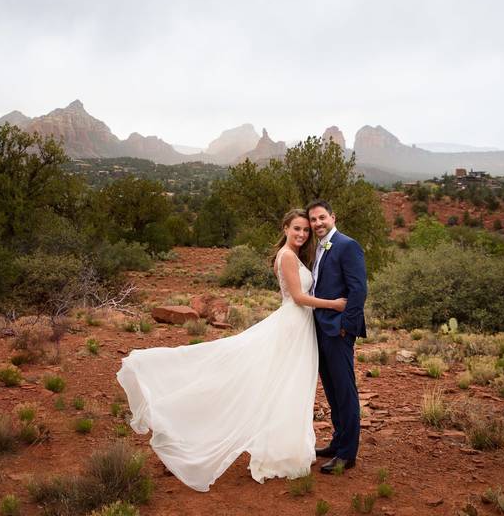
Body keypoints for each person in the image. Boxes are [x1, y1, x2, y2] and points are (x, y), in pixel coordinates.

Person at [116, 209, 346, 492]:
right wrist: (334, 304)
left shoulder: (293, 255)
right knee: (284, 385)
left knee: (288, 387)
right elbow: (298, 297)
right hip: (293, 325)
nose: (301, 234)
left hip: (298, 326)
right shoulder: (286, 256)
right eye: (296, 228)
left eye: (305, 230)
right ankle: (273, 451)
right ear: (285, 227)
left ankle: (283, 450)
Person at [307, 199, 367, 474]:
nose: (318, 223)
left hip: (338, 330)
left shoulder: (347, 245)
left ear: (333, 216)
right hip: (320, 328)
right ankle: (337, 441)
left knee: (344, 391)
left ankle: (347, 454)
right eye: (313, 220)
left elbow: (358, 290)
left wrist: (347, 326)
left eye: (322, 218)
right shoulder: (319, 248)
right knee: (331, 390)